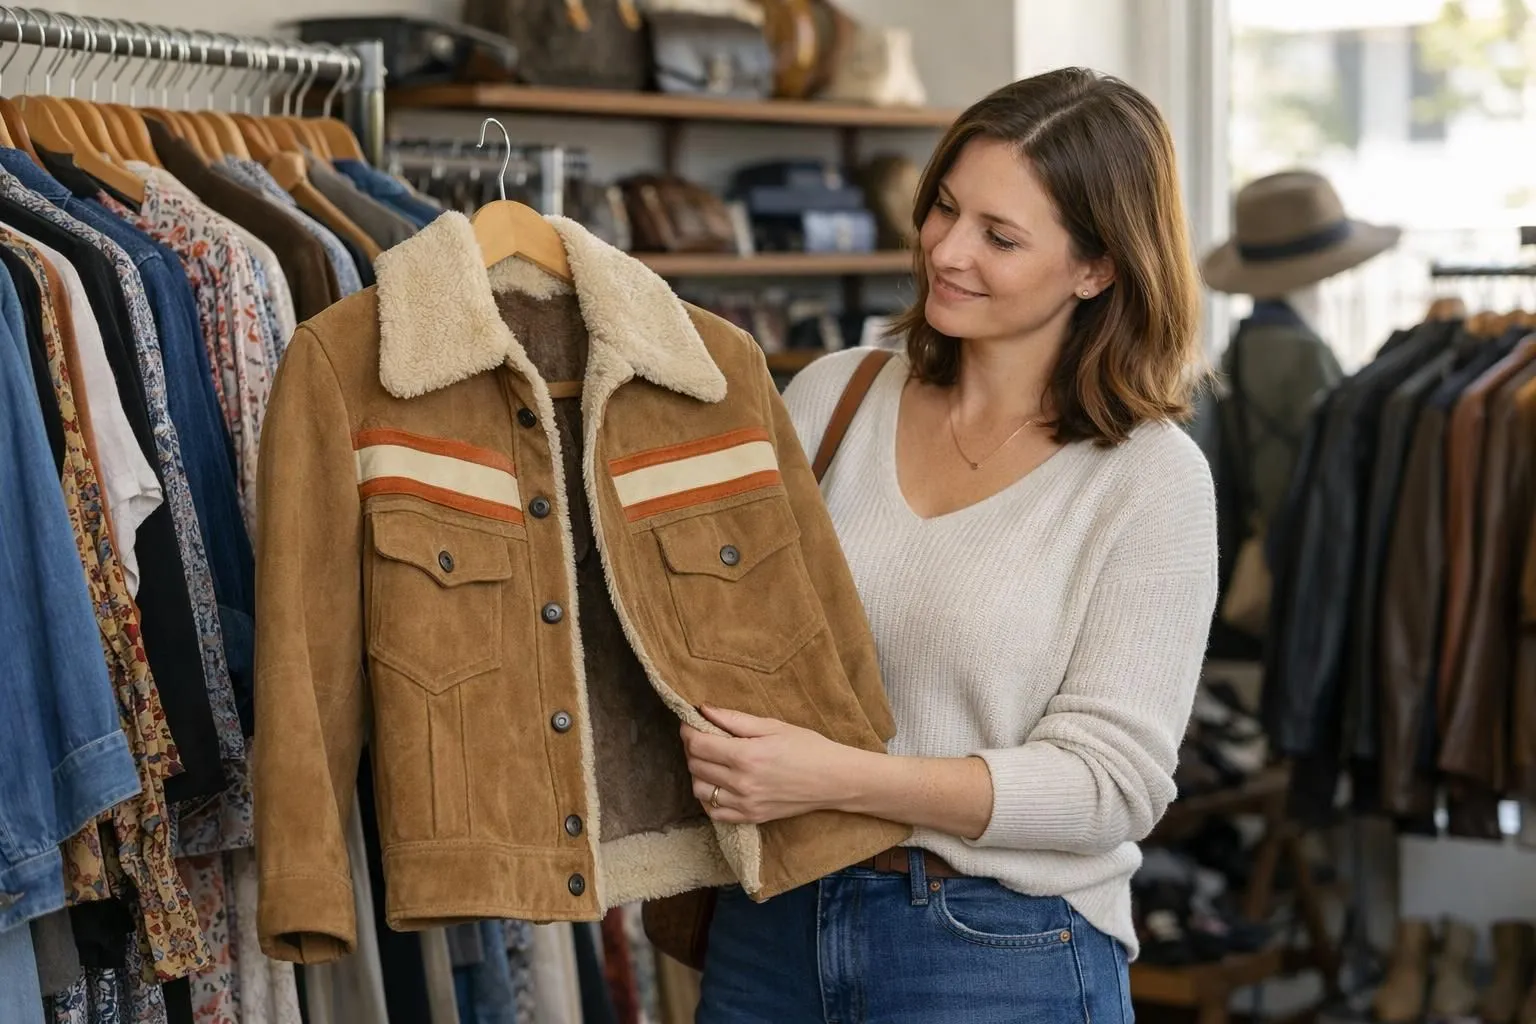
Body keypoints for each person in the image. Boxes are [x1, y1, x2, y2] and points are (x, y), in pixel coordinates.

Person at [682, 67, 1219, 1023]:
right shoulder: (834, 396)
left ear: (1097, 268)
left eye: (1000, 236)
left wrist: (838, 778)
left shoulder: (1148, 479)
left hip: (996, 947)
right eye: (944, 208)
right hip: (772, 921)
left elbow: (1111, 785)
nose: (948, 249)